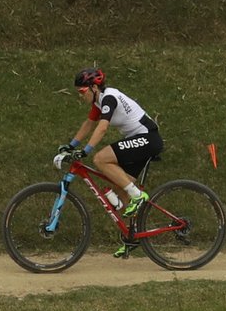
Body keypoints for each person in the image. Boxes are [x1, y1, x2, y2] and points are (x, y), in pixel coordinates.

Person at [59, 67, 164, 257]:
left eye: (82, 91)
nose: (80, 96)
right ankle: (133, 236)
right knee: (121, 189)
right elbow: (89, 124)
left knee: (100, 158)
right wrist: (70, 145)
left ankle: (138, 196)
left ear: (93, 87)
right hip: (140, 139)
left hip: (148, 138)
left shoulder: (109, 98)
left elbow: (102, 128)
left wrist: (86, 151)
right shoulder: (99, 102)